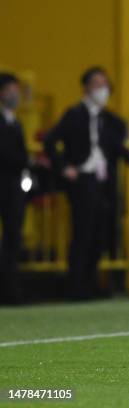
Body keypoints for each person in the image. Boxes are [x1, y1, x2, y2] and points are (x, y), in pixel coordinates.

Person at [43, 67, 129, 300]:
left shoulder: (110, 121)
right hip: (83, 180)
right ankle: (75, 287)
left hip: (105, 183)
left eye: (105, 85)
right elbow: (50, 141)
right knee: (82, 233)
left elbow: (120, 149)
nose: (102, 90)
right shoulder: (73, 115)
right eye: (97, 84)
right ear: (86, 88)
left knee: (101, 234)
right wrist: (64, 167)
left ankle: (91, 284)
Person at [0, 73, 28, 305]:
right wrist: (26, 161)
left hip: (13, 189)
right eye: (10, 89)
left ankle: (11, 291)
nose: (15, 94)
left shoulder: (16, 122)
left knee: (12, 239)